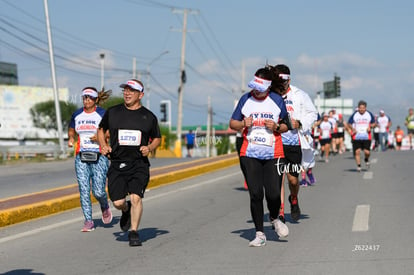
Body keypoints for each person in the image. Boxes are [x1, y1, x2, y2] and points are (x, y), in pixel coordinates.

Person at [230, 66, 290, 247]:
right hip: (249, 152)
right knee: (255, 193)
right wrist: (242, 123)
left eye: (260, 87)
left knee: (273, 194)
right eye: (254, 86)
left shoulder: (277, 100)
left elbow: (287, 125)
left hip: (274, 153)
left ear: (268, 86)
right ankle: (259, 233)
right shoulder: (245, 99)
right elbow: (233, 123)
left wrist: (277, 127)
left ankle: (274, 218)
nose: (256, 90)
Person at [97, 79, 161, 247]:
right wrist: (103, 145)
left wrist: (149, 147)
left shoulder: (148, 117)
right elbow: (100, 130)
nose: (127, 93)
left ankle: (134, 232)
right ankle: (125, 210)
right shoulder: (113, 112)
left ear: (140, 95)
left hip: (139, 164)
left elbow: (157, 139)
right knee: (118, 202)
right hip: (117, 163)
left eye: (131, 91)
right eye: (125, 90)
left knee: (136, 198)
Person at [270, 64, 318, 222]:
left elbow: (312, 114)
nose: (281, 84)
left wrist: (300, 123)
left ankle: (294, 198)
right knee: (278, 180)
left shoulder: (300, 95)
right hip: (275, 143)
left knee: (292, 179)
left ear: (289, 80)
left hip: (294, 143)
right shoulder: (270, 95)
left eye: (283, 81)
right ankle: (280, 213)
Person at [68, 87, 113, 232]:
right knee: (84, 189)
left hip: (99, 155)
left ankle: (104, 205)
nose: (86, 100)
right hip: (81, 156)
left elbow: (111, 132)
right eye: (84, 98)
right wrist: (71, 138)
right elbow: (71, 128)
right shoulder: (77, 114)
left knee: (98, 191)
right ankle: (88, 221)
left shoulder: (102, 114)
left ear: (96, 100)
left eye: (89, 98)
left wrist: (102, 137)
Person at [346, 100, 376, 172]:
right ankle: (359, 166)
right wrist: (353, 128)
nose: (361, 109)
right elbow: (349, 123)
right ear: (358, 108)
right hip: (357, 136)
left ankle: (366, 159)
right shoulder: (355, 114)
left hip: (366, 136)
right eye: (360, 108)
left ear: (365, 108)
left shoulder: (369, 114)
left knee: (367, 152)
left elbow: (374, 123)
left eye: (363, 108)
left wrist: (370, 127)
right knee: (357, 151)